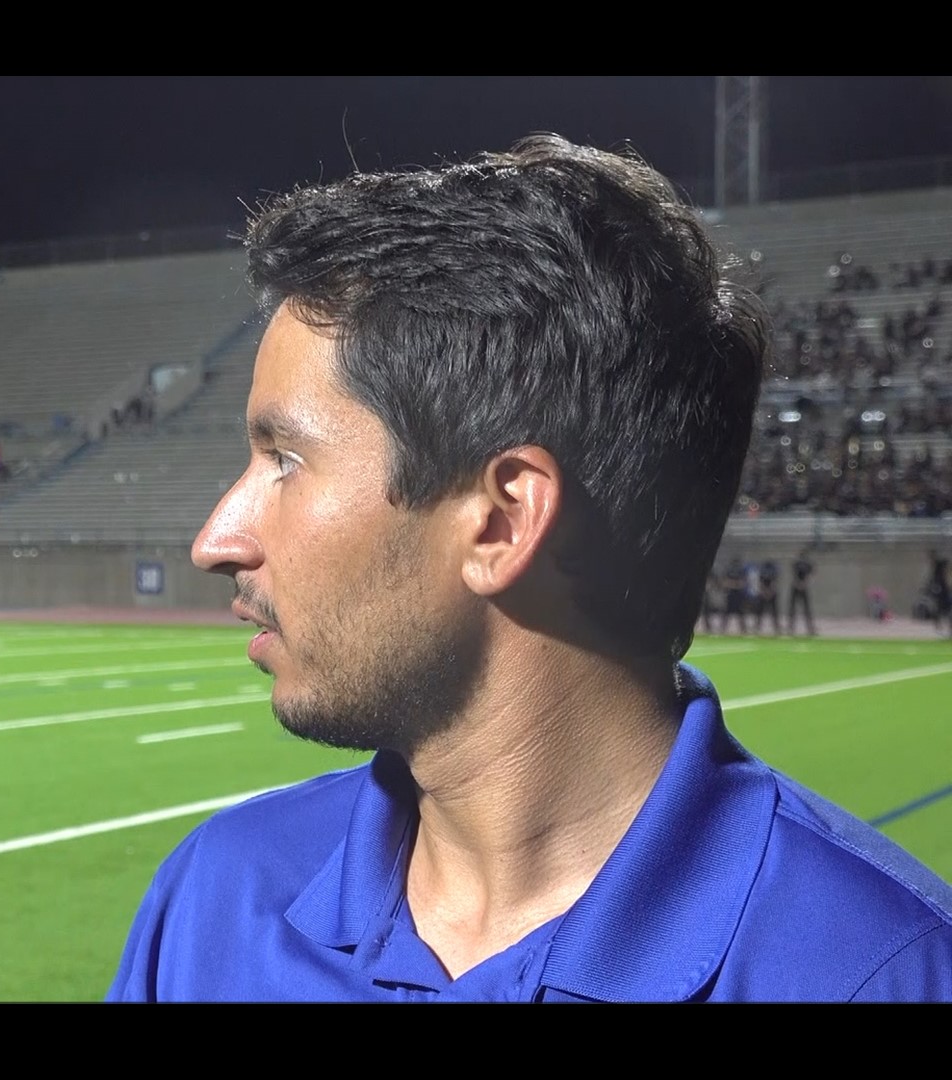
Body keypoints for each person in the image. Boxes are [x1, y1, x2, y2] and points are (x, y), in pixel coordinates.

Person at [108, 134, 952, 1003]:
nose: (216, 540)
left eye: (284, 461)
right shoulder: (215, 899)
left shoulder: (884, 974)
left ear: (504, 520)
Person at [789, 549, 817, 636]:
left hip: (802, 586)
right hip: (796, 586)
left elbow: (812, 574)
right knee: (793, 608)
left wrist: (804, 583)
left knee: (806, 608)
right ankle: (791, 627)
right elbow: (794, 574)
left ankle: (810, 628)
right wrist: (799, 583)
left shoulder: (806, 564)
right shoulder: (797, 563)